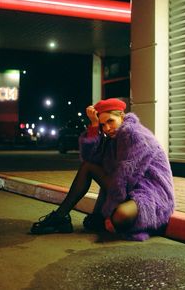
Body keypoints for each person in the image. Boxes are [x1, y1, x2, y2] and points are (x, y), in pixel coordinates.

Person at [30, 98, 175, 241]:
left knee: (120, 216)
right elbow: (91, 159)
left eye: (110, 121)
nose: (106, 128)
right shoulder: (113, 138)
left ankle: (143, 222)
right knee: (88, 167)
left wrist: (109, 213)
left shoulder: (133, 135)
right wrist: (93, 126)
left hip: (152, 195)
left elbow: (124, 177)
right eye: (102, 125)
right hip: (130, 190)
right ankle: (60, 216)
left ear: (122, 117)